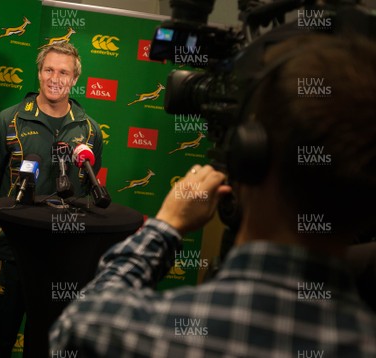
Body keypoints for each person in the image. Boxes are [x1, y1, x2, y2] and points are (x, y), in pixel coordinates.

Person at [49, 33, 376, 357]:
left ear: (248, 156)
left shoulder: (163, 334)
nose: (56, 78)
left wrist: (166, 225)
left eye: (63, 71)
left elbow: (80, 324)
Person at [0, 42, 103, 357]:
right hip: (10, 252)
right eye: (49, 70)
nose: (55, 78)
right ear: (39, 73)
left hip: (61, 257)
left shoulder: (90, 130)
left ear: (74, 79)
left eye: (64, 72)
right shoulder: (8, 121)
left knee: (48, 347)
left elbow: (86, 188)